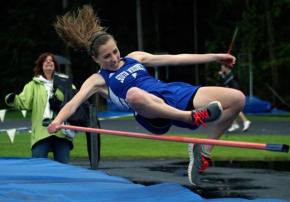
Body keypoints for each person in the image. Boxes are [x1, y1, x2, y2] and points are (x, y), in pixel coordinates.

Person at [48, 5, 245, 185]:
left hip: (171, 92)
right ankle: (190, 117)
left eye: (115, 52)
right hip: (149, 111)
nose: (114, 59)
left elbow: (176, 59)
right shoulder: (97, 79)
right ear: (95, 58)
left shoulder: (135, 57)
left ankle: (203, 150)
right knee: (134, 93)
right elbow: (73, 103)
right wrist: (57, 120)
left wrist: (216, 57)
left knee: (237, 99)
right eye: (107, 56)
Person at [5, 52, 73, 163]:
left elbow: (74, 100)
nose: (49, 61)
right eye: (45, 60)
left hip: (62, 131)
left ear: (55, 65)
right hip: (41, 131)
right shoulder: (32, 85)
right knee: (38, 167)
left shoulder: (65, 83)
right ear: (41, 66)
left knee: (64, 168)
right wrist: (12, 99)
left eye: (51, 60)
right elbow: (24, 102)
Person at [218, 65, 251, 132]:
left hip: (235, 94)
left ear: (226, 67)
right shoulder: (226, 75)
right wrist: (222, 76)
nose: (221, 69)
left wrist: (222, 76)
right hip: (230, 94)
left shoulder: (231, 75)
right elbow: (223, 84)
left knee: (235, 109)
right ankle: (235, 124)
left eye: (222, 67)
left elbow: (228, 83)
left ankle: (245, 121)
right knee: (230, 109)